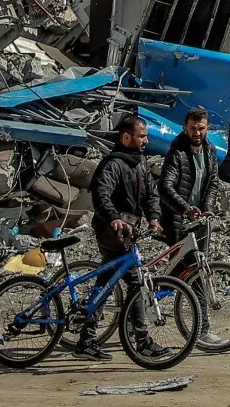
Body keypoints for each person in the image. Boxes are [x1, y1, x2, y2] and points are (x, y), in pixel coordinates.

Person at [79, 114, 165, 362]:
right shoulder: (112, 164)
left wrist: (153, 217)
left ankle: (87, 337)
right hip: (113, 232)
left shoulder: (140, 163)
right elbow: (101, 195)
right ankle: (141, 340)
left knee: (106, 282)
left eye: (146, 135)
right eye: (141, 136)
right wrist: (114, 217)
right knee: (136, 283)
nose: (146, 140)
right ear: (126, 137)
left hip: (129, 230)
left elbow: (151, 195)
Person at [157, 107, 221, 345]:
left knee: (189, 273)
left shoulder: (210, 150)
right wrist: (185, 208)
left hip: (200, 222)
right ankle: (202, 329)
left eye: (201, 128)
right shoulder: (177, 153)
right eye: (193, 128)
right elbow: (166, 187)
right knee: (191, 273)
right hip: (178, 221)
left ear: (207, 128)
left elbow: (213, 183)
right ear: (185, 127)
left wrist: (208, 208)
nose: (197, 132)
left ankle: (141, 309)